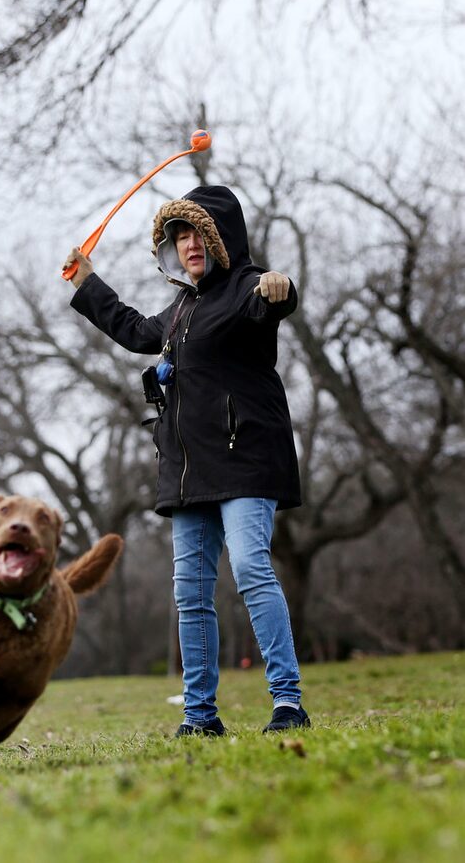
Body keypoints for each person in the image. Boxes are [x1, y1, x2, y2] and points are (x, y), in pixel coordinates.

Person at [64, 184, 309, 735]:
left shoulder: (247, 288)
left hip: (245, 459)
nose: (189, 244)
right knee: (190, 594)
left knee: (250, 568)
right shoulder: (180, 310)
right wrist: (86, 283)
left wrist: (282, 286)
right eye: (179, 235)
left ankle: (288, 703)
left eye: (198, 231)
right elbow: (132, 331)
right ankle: (200, 718)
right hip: (187, 471)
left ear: (221, 238)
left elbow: (273, 300)